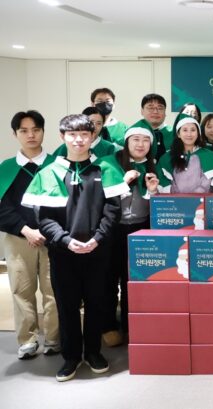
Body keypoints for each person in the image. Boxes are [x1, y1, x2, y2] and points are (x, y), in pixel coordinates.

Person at [22, 114, 129, 382]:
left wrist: (97, 239)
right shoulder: (50, 173)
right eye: (72, 134)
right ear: (63, 137)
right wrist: (66, 240)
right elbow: (44, 219)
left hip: (98, 251)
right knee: (66, 305)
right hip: (62, 253)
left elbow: (113, 211)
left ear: (92, 137)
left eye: (84, 134)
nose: (78, 139)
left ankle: (93, 352)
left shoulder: (105, 168)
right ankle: (71, 357)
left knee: (97, 303)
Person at [0, 110, 59, 360]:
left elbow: (64, 203)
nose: (31, 135)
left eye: (36, 129)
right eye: (24, 131)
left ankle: (54, 338)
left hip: (52, 238)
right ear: (15, 134)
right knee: (21, 290)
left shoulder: (57, 164)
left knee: (53, 290)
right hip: (18, 238)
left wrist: (46, 230)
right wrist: (26, 230)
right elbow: (3, 207)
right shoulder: (6, 168)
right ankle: (28, 340)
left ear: (43, 131)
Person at [104, 120, 160, 347]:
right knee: (109, 279)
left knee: (134, 280)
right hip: (112, 229)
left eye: (146, 140)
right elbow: (100, 197)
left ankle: (131, 327)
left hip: (141, 228)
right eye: (136, 139)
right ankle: (108, 326)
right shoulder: (110, 164)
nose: (141, 144)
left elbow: (158, 205)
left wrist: (153, 191)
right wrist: (124, 182)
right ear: (127, 142)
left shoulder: (153, 166)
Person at [157, 114, 213, 193]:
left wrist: (196, 195)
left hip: (202, 198)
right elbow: (164, 180)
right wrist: (176, 194)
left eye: (193, 130)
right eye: (185, 130)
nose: (189, 134)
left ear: (198, 133)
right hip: (175, 199)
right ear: (178, 134)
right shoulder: (168, 157)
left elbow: (208, 181)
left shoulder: (207, 155)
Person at [140, 93, 174, 159]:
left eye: (160, 108)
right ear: (142, 111)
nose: (155, 111)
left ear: (165, 112)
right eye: (151, 108)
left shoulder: (175, 134)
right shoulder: (133, 133)